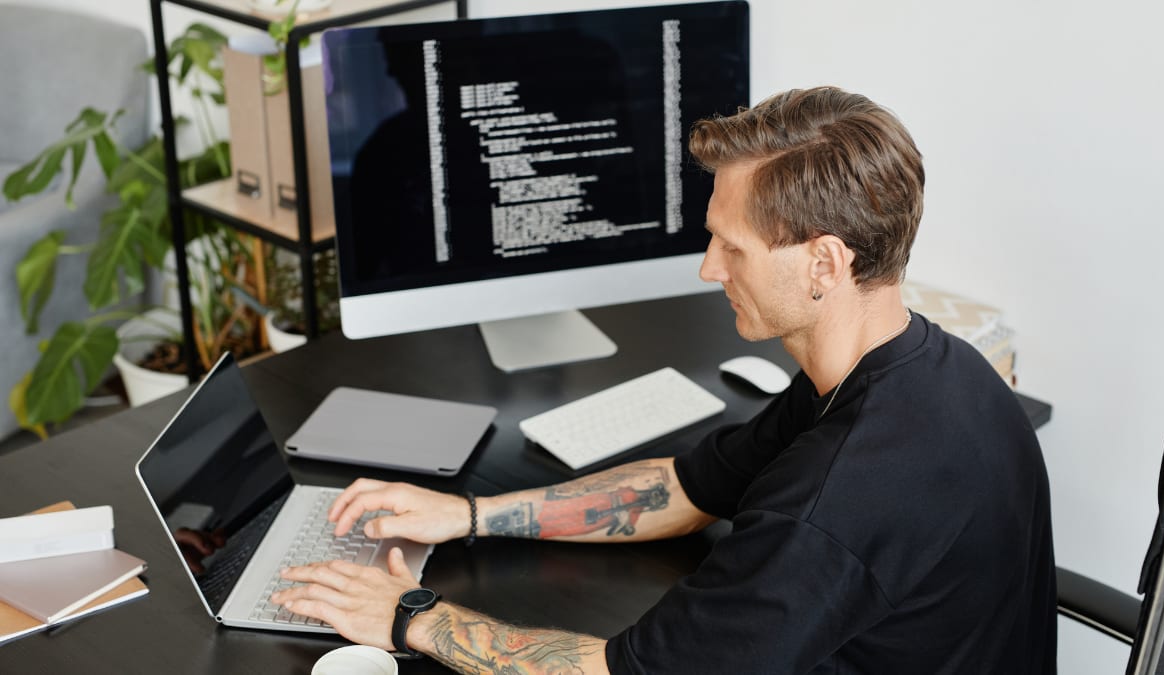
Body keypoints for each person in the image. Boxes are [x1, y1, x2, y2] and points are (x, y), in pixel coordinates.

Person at [272, 86, 1057, 674]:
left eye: (731, 247)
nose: (709, 268)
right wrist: (467, 513)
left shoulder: (838, 496)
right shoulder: (917, 366)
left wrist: (411, 614)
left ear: (825, 262)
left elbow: (622, 672)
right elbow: (685, 488)